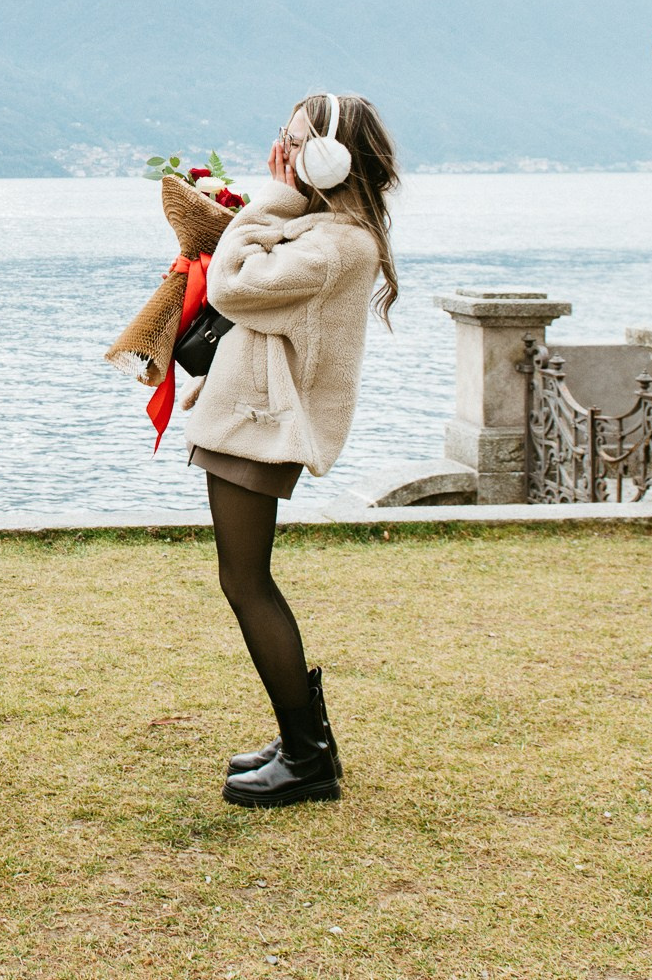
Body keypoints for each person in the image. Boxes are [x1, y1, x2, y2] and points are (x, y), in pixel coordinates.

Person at [178, 92, 399, 807]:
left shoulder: (338, 244)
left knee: (246, 583)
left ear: (328, 158)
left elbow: (232, 286)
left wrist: (271, 197)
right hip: (252, 418)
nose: (283, 152)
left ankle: (307, 757)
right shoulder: (330, 229)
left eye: (294, 142)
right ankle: (306, 737)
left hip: (260, 425)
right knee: (246, 580)